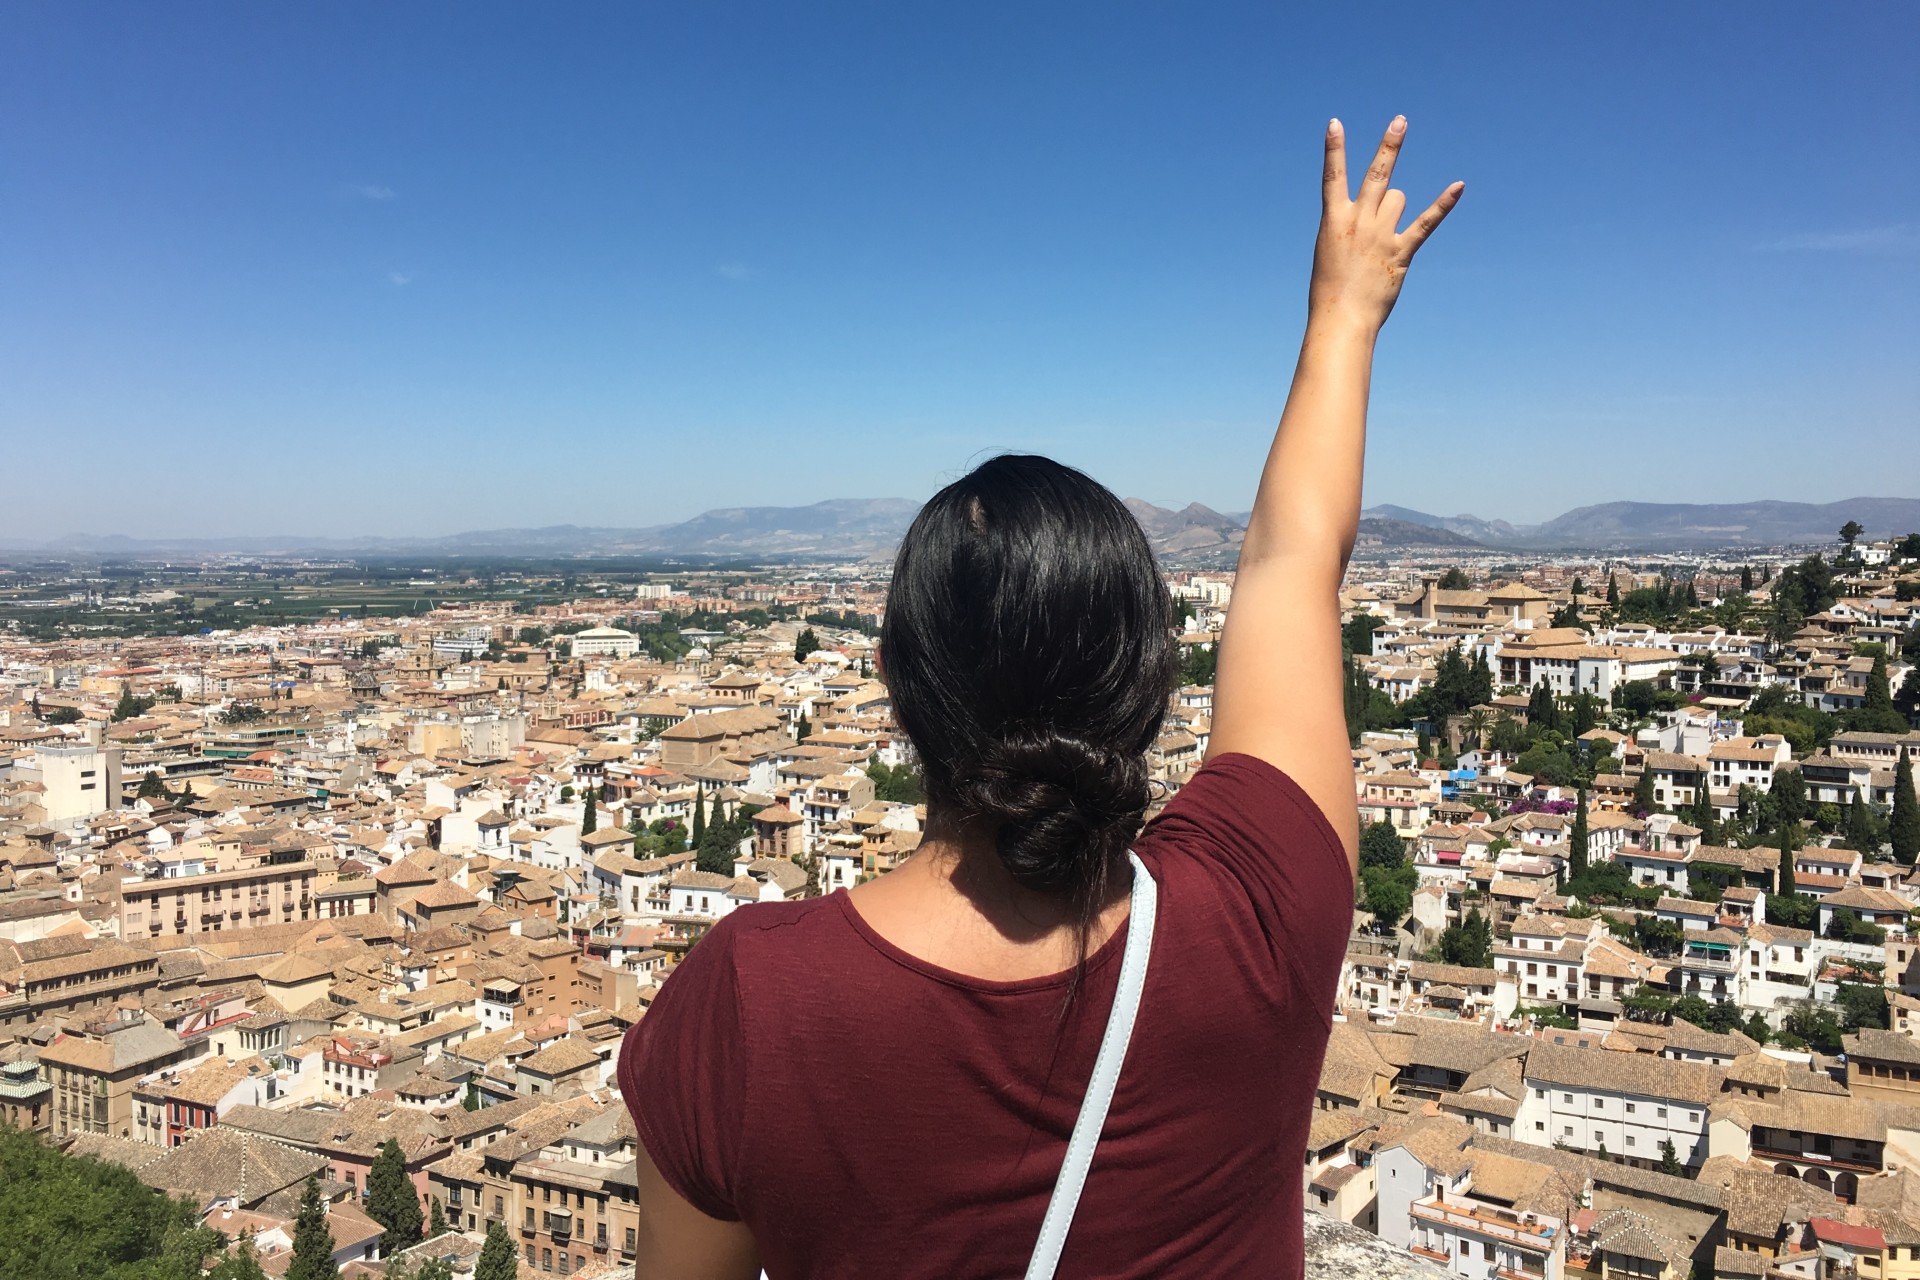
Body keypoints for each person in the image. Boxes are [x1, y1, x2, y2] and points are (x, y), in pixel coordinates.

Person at [621, 117, 1462, 1278]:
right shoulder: (1263, 908)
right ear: (1152, 678)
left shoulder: (752, 1003)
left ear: (901, 689)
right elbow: (1289, 559)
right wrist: (1345, 313)